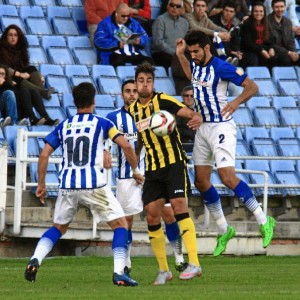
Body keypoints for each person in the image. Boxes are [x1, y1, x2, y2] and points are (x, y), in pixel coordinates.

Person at [24, 82, 144, 287]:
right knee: (121, 225)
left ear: (74, 102)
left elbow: (44, 154)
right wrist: (135, 170)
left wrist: (41, 184)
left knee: (59, 228)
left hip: (68, 185)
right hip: (94, 184)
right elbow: (125, 144)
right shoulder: (101, 122)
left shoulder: (64, 125)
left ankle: (35, 259)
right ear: (94, 101)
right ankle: (118, 273)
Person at [176, 30, 276, 257]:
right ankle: (224, 229)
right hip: (202, 128)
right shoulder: (196, 64)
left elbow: (252, 86)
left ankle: (263, 219)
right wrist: (181, 55)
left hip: (221, 127)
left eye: (196, 51)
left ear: (206, 48)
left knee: (227, 177)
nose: (193, 55)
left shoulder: (221, 67)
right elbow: (191, 74)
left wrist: (236, 102)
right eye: (190, 52)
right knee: (201, 181)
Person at [128, 62, 202, 285]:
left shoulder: (162, 101)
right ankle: (163, 269)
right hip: (152, 168)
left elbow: (186, 111)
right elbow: (140, 137)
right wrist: (135, 163)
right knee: (151, 214)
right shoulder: (133, 110)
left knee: (179, 206)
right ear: (136, 83)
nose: (144, 85)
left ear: (153, 83)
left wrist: (195, 116)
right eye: (141, 81)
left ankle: (195, 262)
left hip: (174, 163)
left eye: (148, 81)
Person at [106, 79, 187, 275]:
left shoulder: (154, 115)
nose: (132, 94)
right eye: (128, 91)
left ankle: (178, 256)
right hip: (127, 177)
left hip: (155, 172)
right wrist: (105, 152)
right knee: (127, 221)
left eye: (135, 90)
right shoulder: (113, 117)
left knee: (168, 215)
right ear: (122, 94)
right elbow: (103, 141)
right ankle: (126, 262)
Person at [0, 25, 54, 100]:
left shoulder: (21, 49)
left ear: (19, 37)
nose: (13, 37)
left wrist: (38, 75)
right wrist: (19, 74)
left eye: (15, 35)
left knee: (32, 68)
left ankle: (41, 93)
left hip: (20, 73)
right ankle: (42, 93)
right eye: (10, 35)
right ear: (6, 37)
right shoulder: (1, 49)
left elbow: (25, 66)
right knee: (16, 78)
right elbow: (3, 66)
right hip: (7, 76)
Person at [152, 0, 189, 70]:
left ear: (181, 9)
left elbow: (186, 42)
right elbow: (158, 42)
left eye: (178, 6)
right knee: (171, 59)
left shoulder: (185, 23)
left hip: (178, 54)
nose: (174, 8)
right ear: (167, 6)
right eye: (172, 5)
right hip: (161, 53)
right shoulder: (160, 20)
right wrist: (174, 53)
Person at [239, 2, 277, 70]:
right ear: (252, 12)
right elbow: (248, 43)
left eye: (261, 11)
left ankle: (269, 78)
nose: (258, 13)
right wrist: (261, 50)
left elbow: (271, 40)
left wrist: (271, 48)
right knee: (254, 58)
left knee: (274, 56)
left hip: (261, 48)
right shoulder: (247, 24)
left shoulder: (267, 24)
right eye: (256, 11)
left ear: (264, 13)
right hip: (248, 51)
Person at [267, 0, 300, 66]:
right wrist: (288, 53)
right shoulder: (267, 21)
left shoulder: (288, 22)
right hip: (275, 52)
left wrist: (294, 53)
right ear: (272, 8)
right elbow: (269, 43)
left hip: (288, 52)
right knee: (286, 59)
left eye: (282, 7)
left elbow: (291, 41)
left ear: (285, 7)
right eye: (277, 7)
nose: (279, 9)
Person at [175, 85, 196, 154]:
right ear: (182, 97)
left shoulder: (201, 109)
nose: (189, 98)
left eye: (192, 96)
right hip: (182, 143)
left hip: (198, 143)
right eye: (186, 96)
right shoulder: (177, 110)